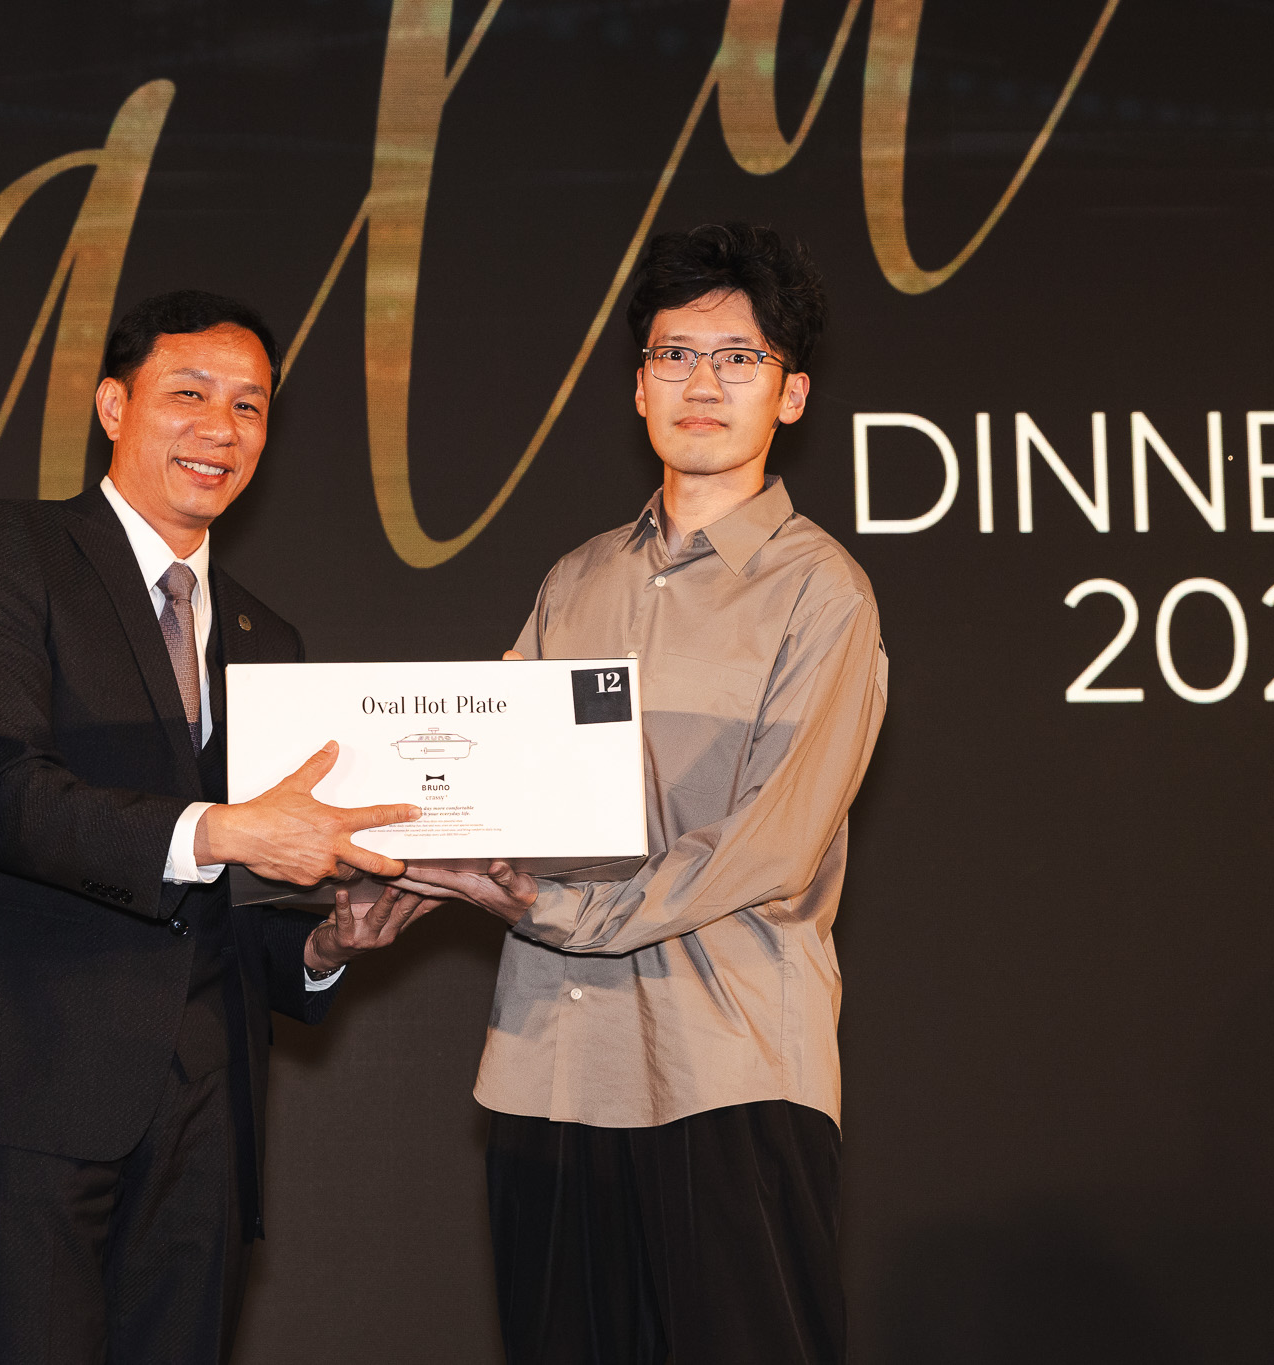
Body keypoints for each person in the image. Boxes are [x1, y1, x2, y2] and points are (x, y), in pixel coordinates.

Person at [0, 289, 437, 1364]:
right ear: (112, 405)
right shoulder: (17, 549)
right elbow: (6, 798)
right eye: (189, 394)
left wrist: (323, 944)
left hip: (209, 1106)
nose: (220, 429)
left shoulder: (266, 638)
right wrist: (223, 831)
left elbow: (246, 894)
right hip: (38, 1075)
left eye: (249, 407)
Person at [396, 223, 887, 1365]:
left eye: (738, 357)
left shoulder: (823, 594)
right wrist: (386, 878)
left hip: (728, 1067)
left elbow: (768, 845)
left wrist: (554, 909)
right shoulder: (574, 581)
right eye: (675, 355)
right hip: (549, 1070)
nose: (701, 383)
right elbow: (488, 784)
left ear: (791, 394)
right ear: (637, 384)